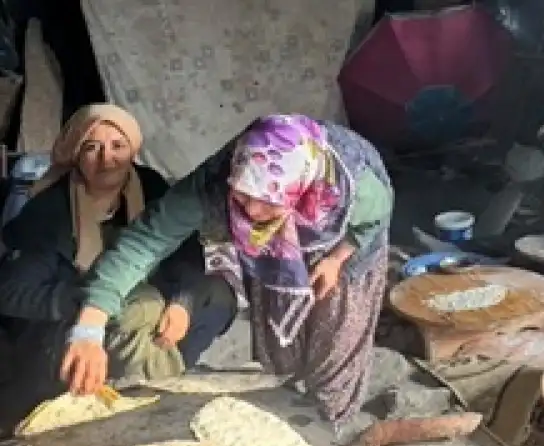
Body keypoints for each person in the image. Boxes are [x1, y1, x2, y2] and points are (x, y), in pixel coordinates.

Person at [59, 114, 393, 427]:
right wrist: (89, 328)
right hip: (271, 243)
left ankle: (329, 431)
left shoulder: (355, 187)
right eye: (243, 196)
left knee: (334, 343)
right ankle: (289, 416)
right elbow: (144, 243)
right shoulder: (218, 181)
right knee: (280, 341)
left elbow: (373, 222)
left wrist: (336, 259)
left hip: (343, 244)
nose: (252, 211)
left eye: (267, 201)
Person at [0, 104, 237, 429]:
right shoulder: (49, 212)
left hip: (141, 308)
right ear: (76, 154)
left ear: (133, 150)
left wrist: (182, 302)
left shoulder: (150, 187)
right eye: (92, 147)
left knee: (216, 294)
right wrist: (87, 303)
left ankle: (159, 377)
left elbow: (186, 255)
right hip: (64, 328)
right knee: (140, 312)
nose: (106, 158)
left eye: (117, 146)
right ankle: (151, 408)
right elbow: (11, 291)